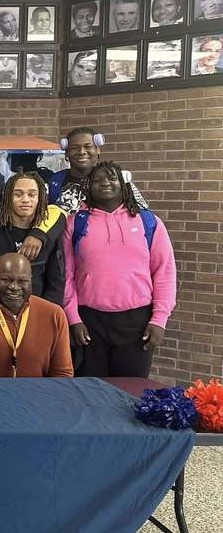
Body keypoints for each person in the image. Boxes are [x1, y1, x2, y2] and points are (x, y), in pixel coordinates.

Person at [64, 162, 176, 378]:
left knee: (130, 393)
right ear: (89, 187)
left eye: (112, 178)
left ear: (123, 184)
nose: (105, 183)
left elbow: (165, 272)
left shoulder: (148, 222)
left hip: (137, 323)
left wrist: (159, 319)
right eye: (97, 180)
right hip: (89, 323)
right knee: (90, 393)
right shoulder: (76, 223)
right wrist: (73, 318)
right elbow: (66, 275)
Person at [0, 253, 72, 378]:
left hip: (39, 395)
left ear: (31, 281)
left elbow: (62, 375)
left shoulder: (54, 315)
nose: (14, 287)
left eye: (22, 281)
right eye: (6, 280)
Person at [0, 172, 65, 306]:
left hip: (36, 314)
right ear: (8, 197)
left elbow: (56, 284)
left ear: (40, 198)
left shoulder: (48, 234)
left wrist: (40, 312)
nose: (25, 200)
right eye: (18, 194)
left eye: (32, 194)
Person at [43, 127, 148, 214]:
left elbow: (142, 216)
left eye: (88, 146)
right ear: (66, 152)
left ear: (98, 150)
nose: (82, 152)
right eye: (74, 148)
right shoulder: (53, 182)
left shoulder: (117, 179)